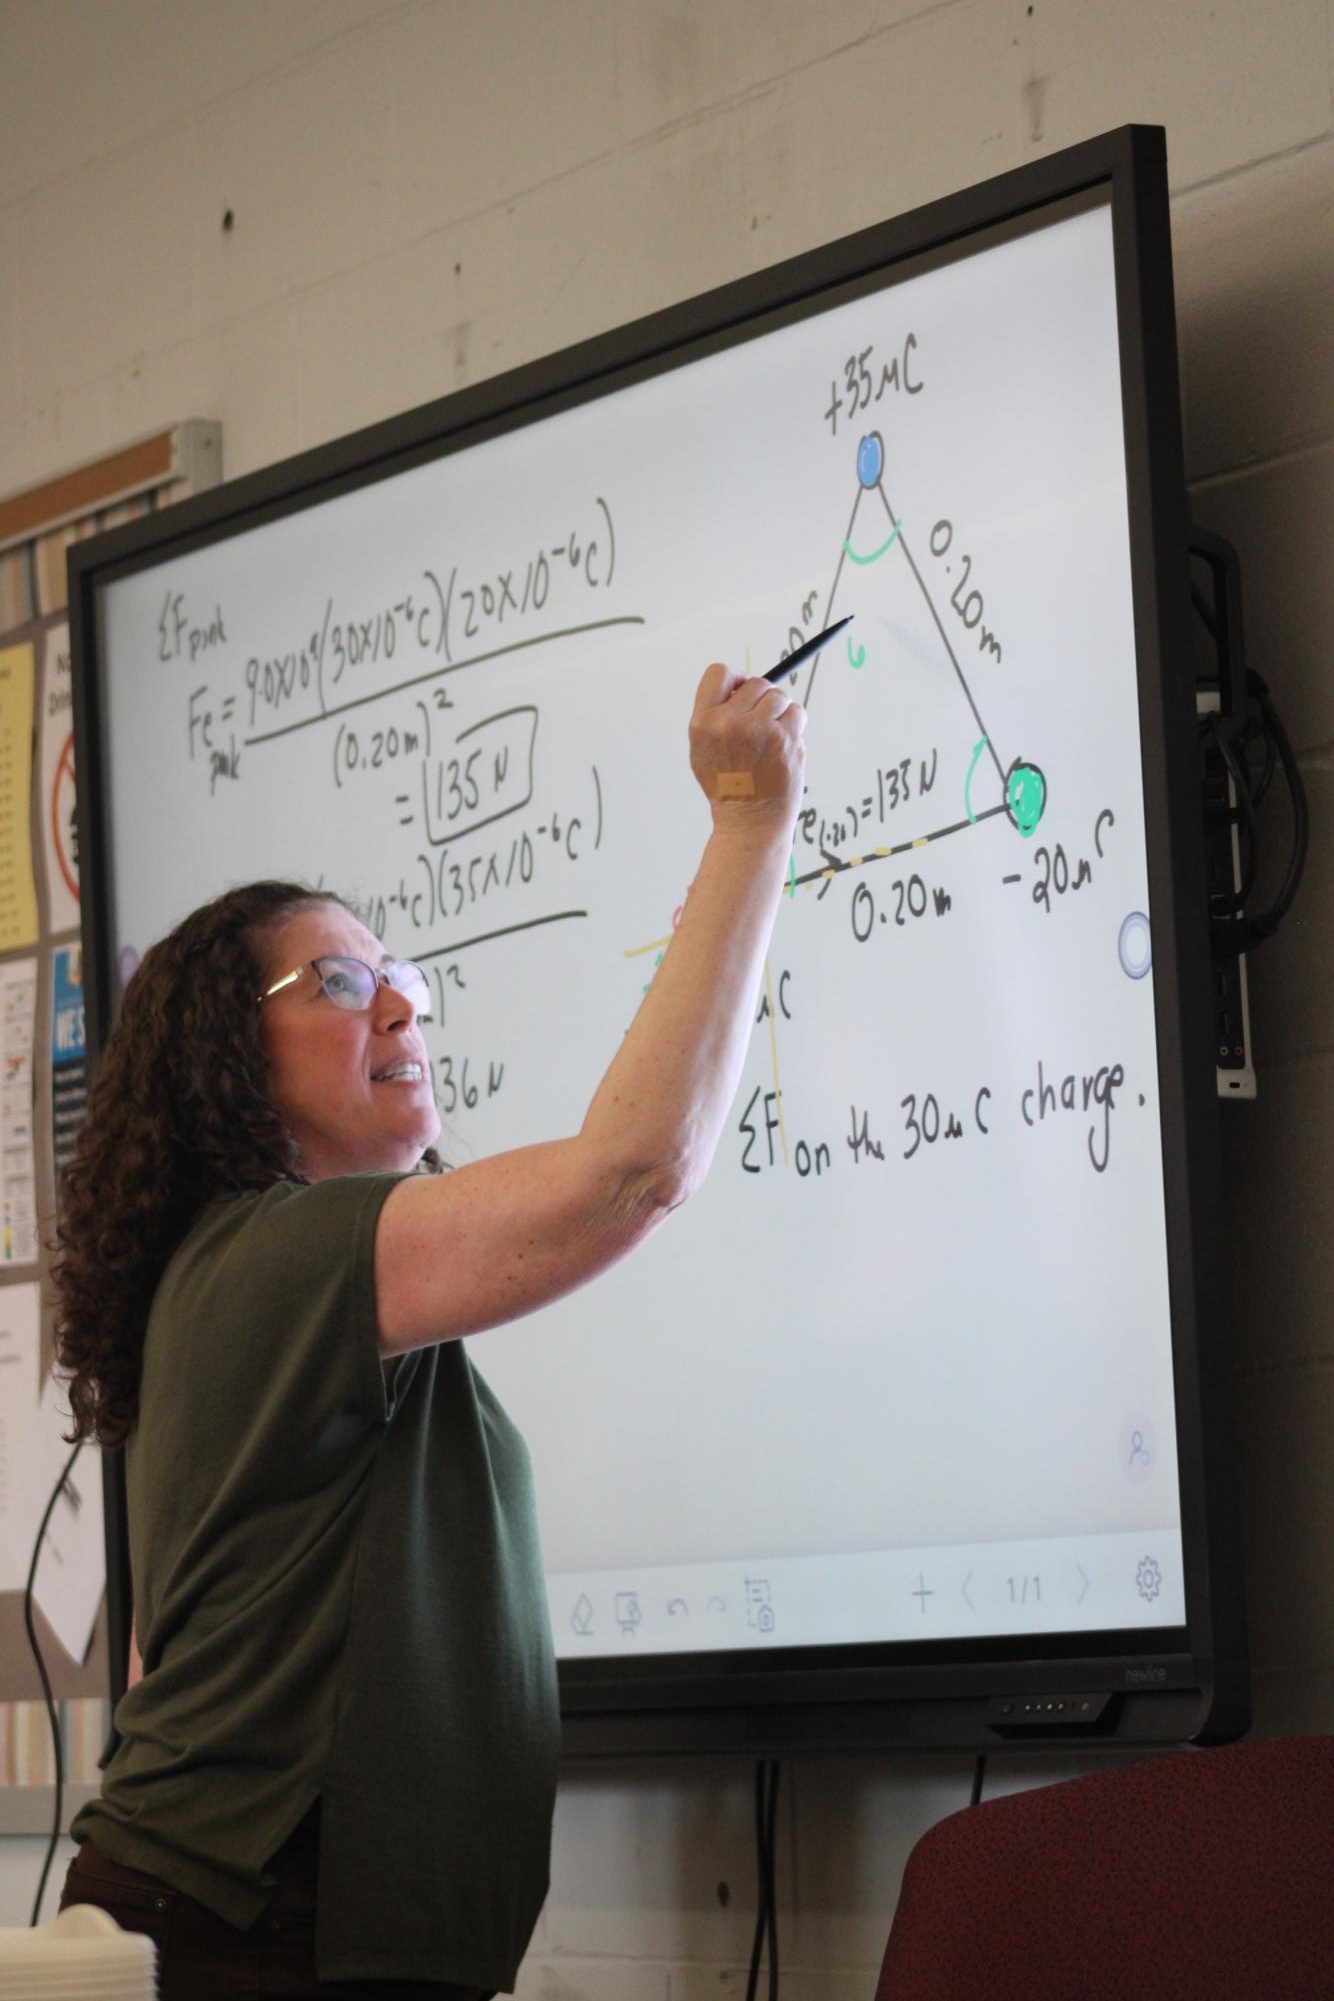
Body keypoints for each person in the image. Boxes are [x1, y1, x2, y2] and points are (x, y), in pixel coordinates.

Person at [53, 662, 805, 2000]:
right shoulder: (271, 1254)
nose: (399, 1004)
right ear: (228, 1053)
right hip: (249, 1931)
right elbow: (629, 1169)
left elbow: (167, 1651)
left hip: (269, 1925)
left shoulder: (271, 1281)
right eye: (339, 983)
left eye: (399, 973)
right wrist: (748, 820)